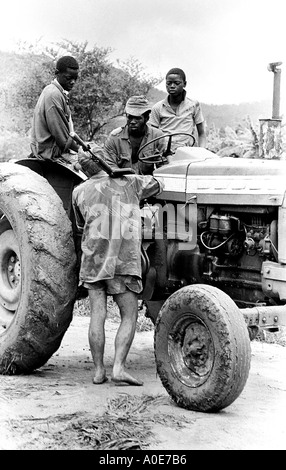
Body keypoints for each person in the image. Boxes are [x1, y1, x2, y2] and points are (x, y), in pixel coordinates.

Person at [72, 152, 164, 386]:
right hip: (123, 262)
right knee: (129, 315)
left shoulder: (78, 191)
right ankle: (119, 368)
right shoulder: (130, 183)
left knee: (97, 316)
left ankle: (99, 371)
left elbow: (81, 224)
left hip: (93, 262)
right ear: (105, 162)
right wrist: (129, 173)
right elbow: (159, 183)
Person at [30, 55, 80, 164]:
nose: (72, 82)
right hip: (50, 153)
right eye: (68, 78)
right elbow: (63, 140)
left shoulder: (54, 91)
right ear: (57, 73)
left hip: (49, 149)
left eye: (75, 78)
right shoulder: (54, 95)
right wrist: (81, 151)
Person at [104, 95, 167, 175]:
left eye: (137, 118)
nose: (133, 121)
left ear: (146, 118)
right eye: (130, 117)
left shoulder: (157, 136)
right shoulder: (114, 137)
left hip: (147, 183)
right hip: (121, 183)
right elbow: (110, 167)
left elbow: (163, 168)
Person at [149, 68, 207, 151]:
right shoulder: (157, 107)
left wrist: (202, 151)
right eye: (169, 83)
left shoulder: (193, 105)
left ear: (184, 84)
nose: (172, 86)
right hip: (165, 152)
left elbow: (201, 133)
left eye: (177, 83)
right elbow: (152, 135)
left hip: (188, 151)